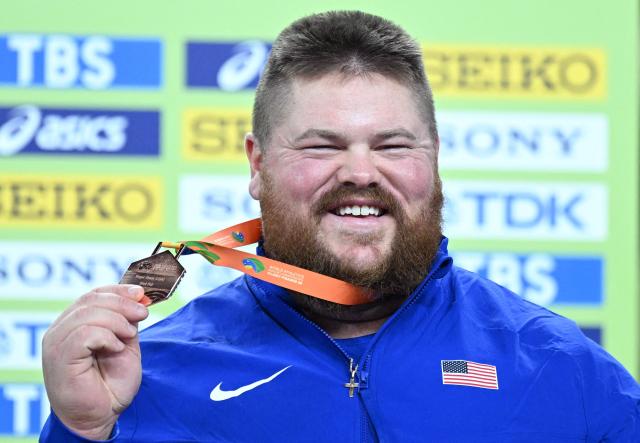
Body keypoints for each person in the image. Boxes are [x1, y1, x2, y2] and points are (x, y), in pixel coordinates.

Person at [40, 10, 639, 442]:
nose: (360, 172)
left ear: (432, 159)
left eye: (393, 144)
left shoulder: (564, 369)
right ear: (257, 165)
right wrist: (83, 433)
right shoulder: (147, 379)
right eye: (322, 146)